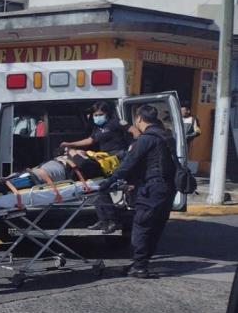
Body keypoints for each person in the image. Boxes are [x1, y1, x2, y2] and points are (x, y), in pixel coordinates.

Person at [98, 105, 176, 278]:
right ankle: (140, 263)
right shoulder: (167, 136)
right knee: (155, 228)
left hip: (153, 188)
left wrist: (109, 181)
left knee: (142, 227)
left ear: (139, 119)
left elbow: (129, 163)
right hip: (167, 189)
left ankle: (140, 266)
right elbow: (155, 161)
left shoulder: (146, 139)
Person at [61, 101, 130, 234]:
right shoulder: (98, 128)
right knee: (97, 189)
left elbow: (133, 131)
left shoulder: (116, 123)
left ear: (107, 114)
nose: (97, 117)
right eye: (95, 114)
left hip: (116, 159)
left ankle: (112, 221)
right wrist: (70, 144)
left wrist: (135, 146)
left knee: (103, 188)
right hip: (105, 159)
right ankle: (103, 220)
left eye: (100, 114)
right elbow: (90, 140)